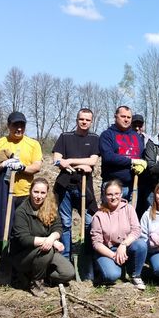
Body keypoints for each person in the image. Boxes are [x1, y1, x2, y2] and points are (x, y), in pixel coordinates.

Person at [9, 177, 75, 297]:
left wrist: (52, 237)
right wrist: (51, 242)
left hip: (44, 252)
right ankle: (36, 284)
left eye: (42, 193)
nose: (39, 196)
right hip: (23, 256)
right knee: (47, 249)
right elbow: (24, 239)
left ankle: (36, 275)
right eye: (36, 192)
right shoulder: (22, 211)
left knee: (68, 273)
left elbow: (58, 227)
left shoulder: (50, 207)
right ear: (30, 191)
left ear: (46, 194)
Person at [52, 108, 99, 258]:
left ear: (91, 121)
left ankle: (87, 256)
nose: (84, 122)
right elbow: (57, 160)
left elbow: (93, 161)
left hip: (85, 185)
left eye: (87, 120)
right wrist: (71, 164)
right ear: (77, 120)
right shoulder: (65, 137)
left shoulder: (94, 138)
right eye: (81, 119)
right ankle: (66, 257)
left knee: (89, 220)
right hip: (65, 185)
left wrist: (71, 161)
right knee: (65, 222)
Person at [90, 179, 148, 289]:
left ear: (121, 194)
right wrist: (114, 256)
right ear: (104, 196)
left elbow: (136, 230)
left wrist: (124, 244)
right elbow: (97, 243)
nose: (113, 197)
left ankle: (135, 274)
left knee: (141, 244)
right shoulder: (98, 215)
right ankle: (118, 268)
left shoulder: (129, 209)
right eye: (109, 194)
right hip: (108, 251)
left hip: (126, 247)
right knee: (111, 276)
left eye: (116, 194)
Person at [0, 111, 43, 204]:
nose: (19, 129)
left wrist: (22, 168)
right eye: (15, 125)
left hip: (25, 194)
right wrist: (3, 165)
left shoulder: (33, 144)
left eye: (22, 125)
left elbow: (37, 167)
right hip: (3, 193)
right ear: (8, 125)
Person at [98, 106, 145, 202]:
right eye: (123, 116)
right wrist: (132, 161)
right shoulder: (107, 135)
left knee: (129, 216)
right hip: (112, 186)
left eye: (129, 117)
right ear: (116, 116)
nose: (126, 120)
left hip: (133, 185)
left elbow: (141, 155)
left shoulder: (136, 136)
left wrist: (142, 164)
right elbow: (108, 157)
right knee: (111, 216)